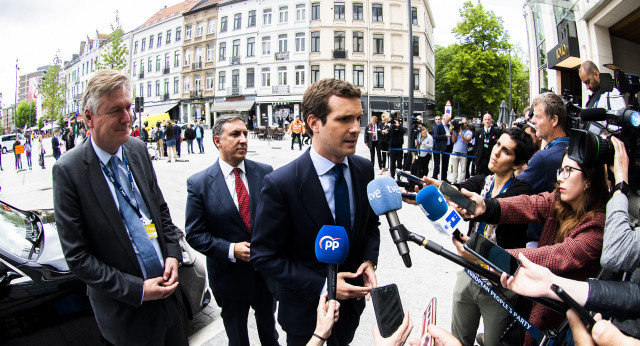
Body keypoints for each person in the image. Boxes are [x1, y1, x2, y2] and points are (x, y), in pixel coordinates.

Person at [51, 70, 187, 345]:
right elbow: (78, 257)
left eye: (128, 107)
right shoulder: (69, 170)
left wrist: (172, 254)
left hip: (169, 302)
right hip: (126, 315)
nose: (128, 118)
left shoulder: (136, 149)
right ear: (89, 117)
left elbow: (160, 210)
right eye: (116, 111)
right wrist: (137, 289)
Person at [251, 78, 380, 345]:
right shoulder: (281, 184)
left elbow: (370, 226)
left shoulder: (364, 169)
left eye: (358, 118)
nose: (356, 128)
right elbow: (264, 256)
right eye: (344, 119)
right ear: (313, 123)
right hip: (306, 316)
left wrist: (369, 261)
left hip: (351, 309)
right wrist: (326, 286)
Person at [457, 150, 609, 345]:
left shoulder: (598, 225)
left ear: (589, 180)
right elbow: (529, 205)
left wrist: (487, 254)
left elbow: (558, 256)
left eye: (569, 170)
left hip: (559, 323)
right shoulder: (560, 201)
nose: (561, 178)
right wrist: (486, 207)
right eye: (561, 170)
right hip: (533, 307)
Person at [415, 128, 535, 346]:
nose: (496, 152)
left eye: (506, 151)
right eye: (497, 144)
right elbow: (461, 191)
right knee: (458, 339)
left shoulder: (522, 191)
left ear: (518, 163)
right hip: (468, 273)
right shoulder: (482, 181)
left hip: (500, 285)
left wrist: (463, 201)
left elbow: (486, 205)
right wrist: (434, 193)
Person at [185, 114, 278, 346]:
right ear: (218, 141)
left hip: (265, 276)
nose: (244, 139)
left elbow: (278, 219)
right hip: (229, 278)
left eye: (245, 133)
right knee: (237, 339)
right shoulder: (199, 184)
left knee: (270, 335)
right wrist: (230, 249)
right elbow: (195, 235)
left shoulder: (266, 172)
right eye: (235, 134)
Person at [518, 92, 570, 247]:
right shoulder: (571, 150)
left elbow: (514, 193)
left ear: (554, 120)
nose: (533, 121)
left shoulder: (543, 158)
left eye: (538, 117)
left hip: (540, 241)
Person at [449, 119, 472, 184]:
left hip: (463, 154)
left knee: (463, 170)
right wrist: (453, 130)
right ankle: (454, 182)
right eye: (462, 124)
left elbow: (467, 141)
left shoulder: (469, 132)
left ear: (467, 124)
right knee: (454, 169)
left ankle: (461, 183)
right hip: (455, 152)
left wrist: (461, 135)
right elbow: (453, 141)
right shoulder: (456, 131)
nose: (463, 125)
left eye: (464, 124)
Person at [432, 114, 452, 181]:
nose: (449, 121)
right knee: (437, 164)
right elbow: (435, 136)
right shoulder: (438, 126)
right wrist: (444, 136)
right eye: (448, 120)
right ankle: (435, 177)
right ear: (444, 119)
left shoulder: (449, 126)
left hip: (447, 147)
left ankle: (444, 178)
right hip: (439, 148)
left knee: (445, 164)